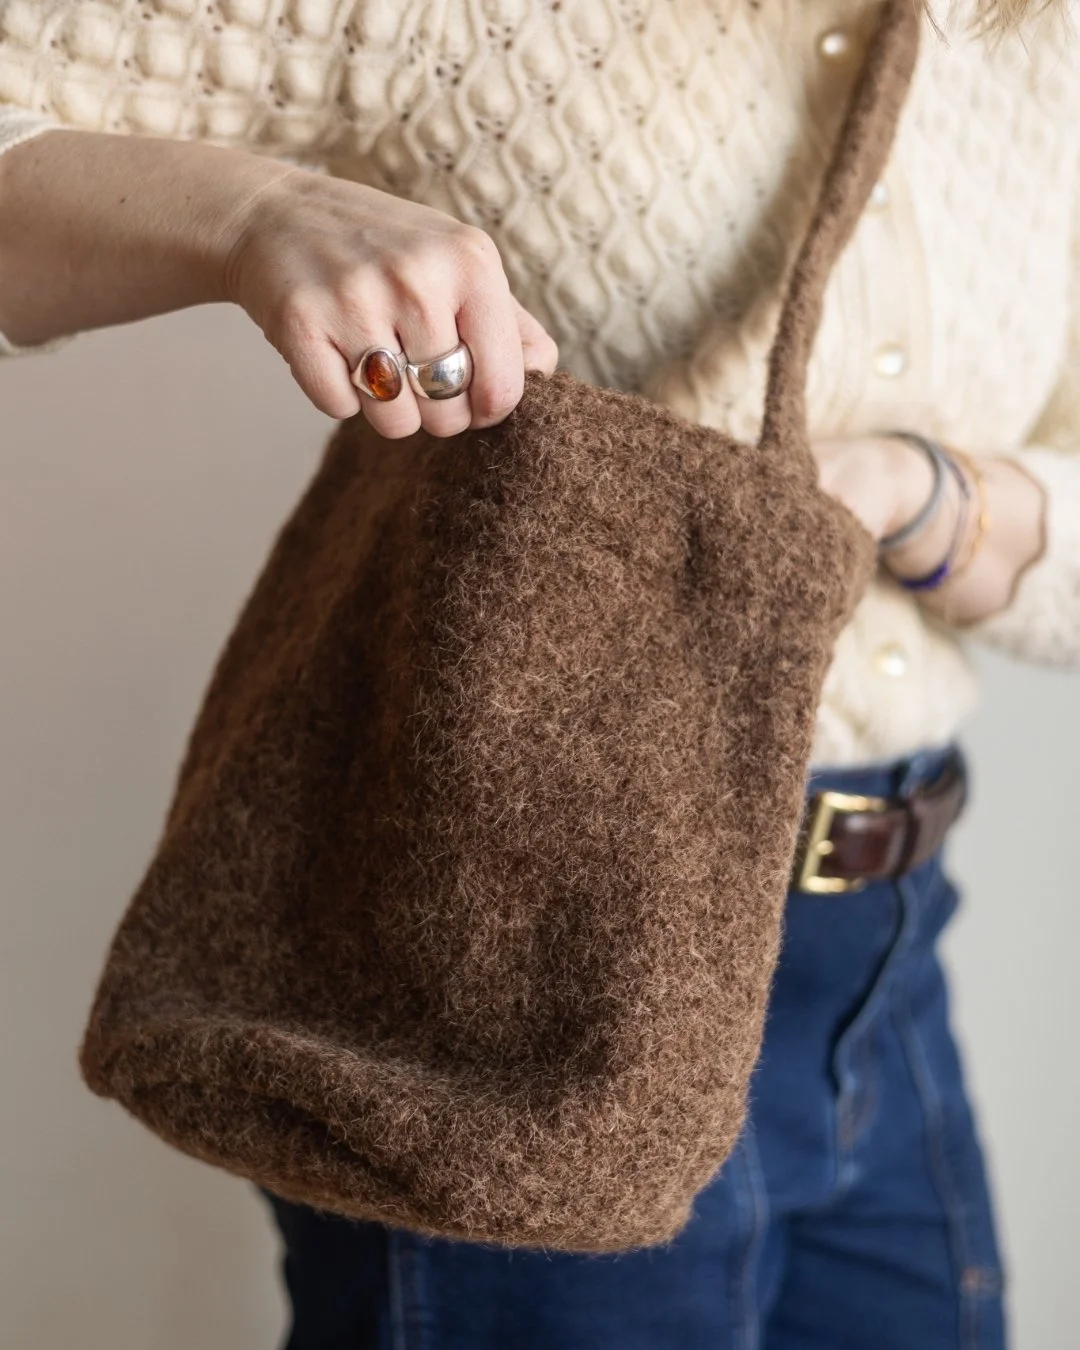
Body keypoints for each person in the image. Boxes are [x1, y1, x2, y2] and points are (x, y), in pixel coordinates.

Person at [0, 0, 1076, 1345]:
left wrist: (937, 503)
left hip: (883, 958)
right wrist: (257, 214)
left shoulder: (1032, 37)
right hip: (517, 960)